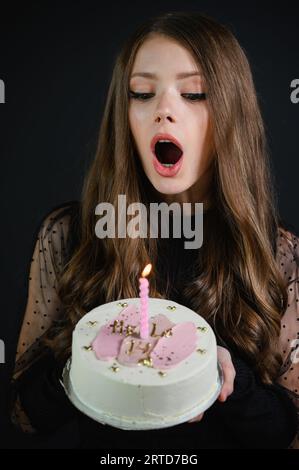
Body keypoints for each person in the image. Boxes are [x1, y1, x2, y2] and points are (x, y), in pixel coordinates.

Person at [10, 11, 299, 449]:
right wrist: (87, 365)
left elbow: (290, 427)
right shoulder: (68, 235)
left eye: (194, 93)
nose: (163, 110)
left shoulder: (277, 251)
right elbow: (22, 416)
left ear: (231, 113)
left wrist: (229, 384)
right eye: (142, 93)